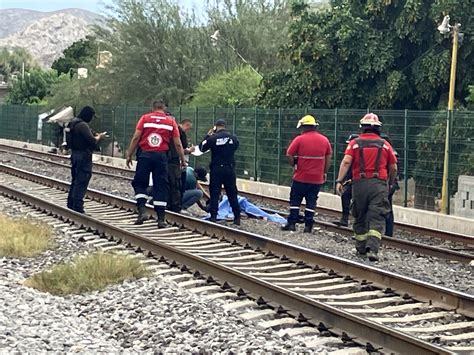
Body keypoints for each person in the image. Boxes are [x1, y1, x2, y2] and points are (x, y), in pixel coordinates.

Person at [335, 113, 397, 261]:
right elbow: (393, 167)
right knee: (377, 216)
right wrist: (390, 182)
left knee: (359, 215)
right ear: (378, 128)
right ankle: (373, 249)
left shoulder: (354, 143)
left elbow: (346, 162)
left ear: (362, 128)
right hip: (379, 184)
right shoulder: (385, 145)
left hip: (359, 184)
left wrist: (339, 181)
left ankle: (361, 248)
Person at [126, 100, 186, 228]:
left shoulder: (145, 118)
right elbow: (178, 143)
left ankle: (142, 210)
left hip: (145, 155)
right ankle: (161, 219)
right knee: (161, 185)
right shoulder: (170, 122)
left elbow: (136, 137)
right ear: (164, 108)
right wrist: (182, 159)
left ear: (152, 108)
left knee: (140, 182)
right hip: (161, 157)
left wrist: (129, 154)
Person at [281, 115, 332, 233]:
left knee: (295, 200)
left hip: (300, 177)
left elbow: (289, 154)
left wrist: (294, 164)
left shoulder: (299, 139)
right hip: (316, 178)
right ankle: (308, 225)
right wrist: (324, 172)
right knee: (311, 201)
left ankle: (292, 223)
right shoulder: (324, 140)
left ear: (303, 127)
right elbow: (328, 156)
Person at [199, 119, 241, 225]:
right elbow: (236, 146)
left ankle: (213, 216)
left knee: (215, 193)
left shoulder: (213, 138)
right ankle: (237, 217)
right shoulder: (233, 138)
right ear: (224, 126)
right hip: (229, 169)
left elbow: (201, 148)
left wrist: (207, 136)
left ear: (216, 127)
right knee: (232, 193)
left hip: (217, 169)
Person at [66, 106, 106, 213]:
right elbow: (92, 141)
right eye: (92, 116)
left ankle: (71, 203)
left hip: (74, 154)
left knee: (75, 179)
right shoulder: (83, 125)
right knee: (82, 179)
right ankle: (78, 206)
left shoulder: (73, 123)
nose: (92, 119)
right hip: (83, 155)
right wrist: (99, 137)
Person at [333, 134, 359, 227]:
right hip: (352, 181)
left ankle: (357, 222)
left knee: (357, 201)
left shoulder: (358, 155)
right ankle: (345, 219)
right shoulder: (350, 154)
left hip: (359, 181)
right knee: (345, 196)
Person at [166, 113, 188, 212]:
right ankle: (175, 207)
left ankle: (164, 205)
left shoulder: (160, 128)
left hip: (162, 158)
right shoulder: (178, 130)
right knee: (175, 184)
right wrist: (182, 159)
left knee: (163, 182)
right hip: (174, 160)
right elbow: (181, 145)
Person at [381, 133, 400, 237]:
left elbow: (392, 169)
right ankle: (389, 232)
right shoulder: (394, 152)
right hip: (391, 183)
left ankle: (386, 231)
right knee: (388, 207)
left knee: (382, 206)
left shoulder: (386, 152)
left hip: (385, 183)